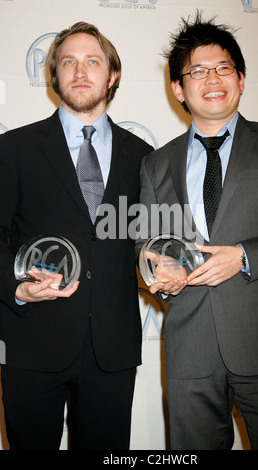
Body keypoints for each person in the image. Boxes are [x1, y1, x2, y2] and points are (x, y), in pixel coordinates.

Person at [136, 11, 258, 450]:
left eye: (223, 68)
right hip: (190, 346)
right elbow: (148, 244)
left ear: (241, 79)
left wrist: (244, 256)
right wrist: (158, 276)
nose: (213, 78)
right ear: (178, 88)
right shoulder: (155, 164)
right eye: (197, 71)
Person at [0, 22, 153, 450]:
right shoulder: (13, 149)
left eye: (93, 61)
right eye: (68, 61)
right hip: (31, 341)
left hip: (113, 349)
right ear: (55, 76)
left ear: (112, 75)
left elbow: (152, 242)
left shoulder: (145, 158)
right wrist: (17, 289)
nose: (80, 71)